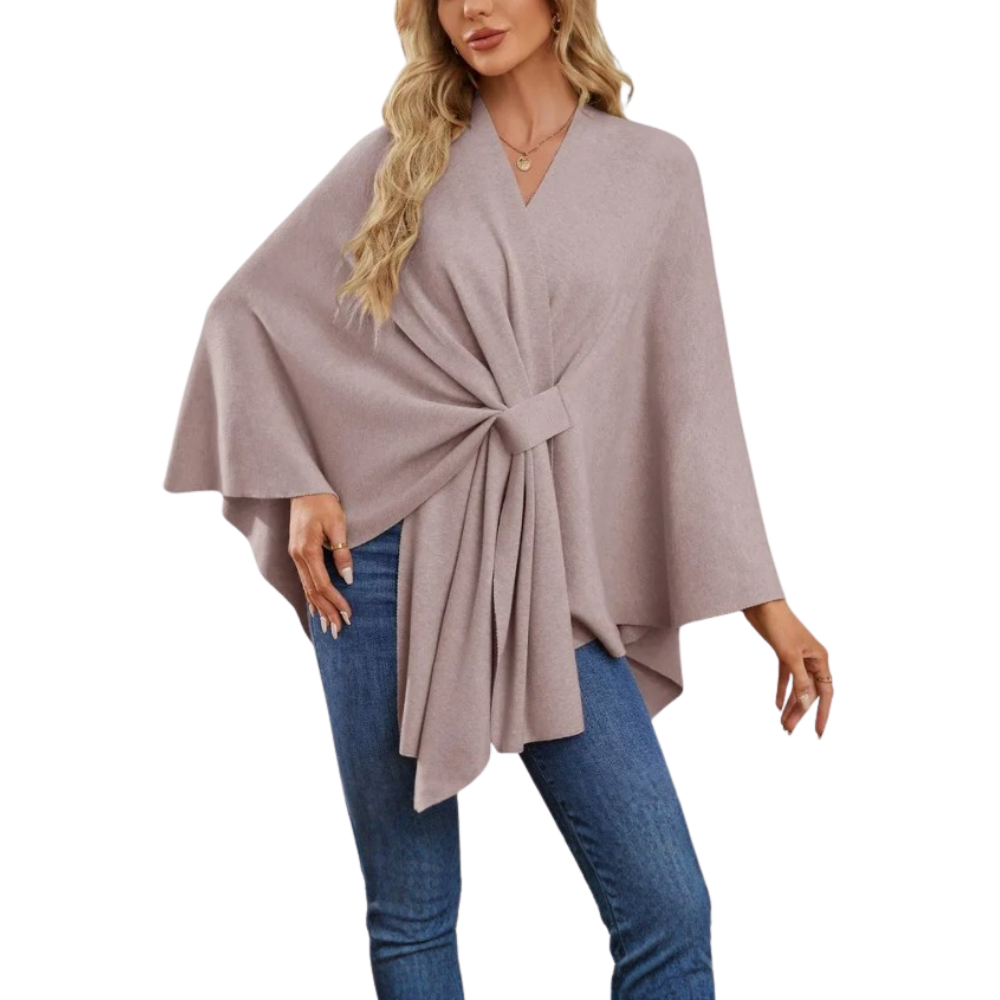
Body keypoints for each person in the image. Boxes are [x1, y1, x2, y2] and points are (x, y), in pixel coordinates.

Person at [163, 2, 834, 997]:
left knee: (668, 909)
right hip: (376, 556)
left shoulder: (658, 169)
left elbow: (692, 404)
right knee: (411, 914)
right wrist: (300, 479)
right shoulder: (407, 152)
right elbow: (245, 315)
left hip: (547, 558)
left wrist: (768, 610)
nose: (472, 7)